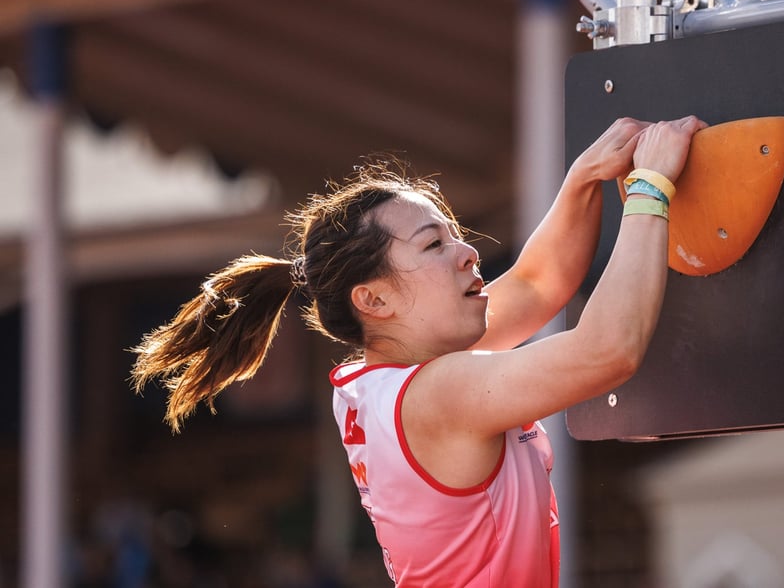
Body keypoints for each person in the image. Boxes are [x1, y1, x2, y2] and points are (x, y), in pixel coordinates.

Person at [130, 114, 706, 587]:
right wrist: (651, 187)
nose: (467, 253)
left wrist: (583, 179)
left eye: (454, 234)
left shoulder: (385, 375)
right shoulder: (437, 394)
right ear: (374, 299)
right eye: (434, 244)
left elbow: (536, 283)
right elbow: (608, 350)